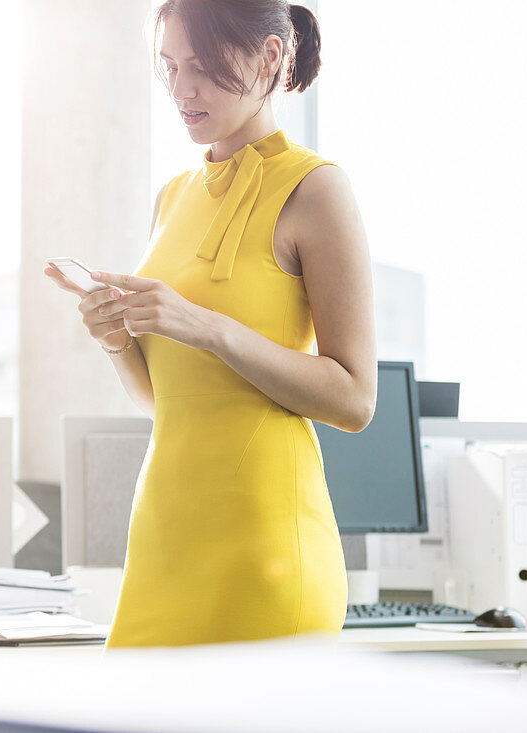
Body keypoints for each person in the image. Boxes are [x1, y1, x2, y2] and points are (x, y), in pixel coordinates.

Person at [44, 0, 376, 647]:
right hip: (164, 544)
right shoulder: (171, 198)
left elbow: (355, 397)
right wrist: (116, 335)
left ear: (270, 58)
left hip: (266, 553)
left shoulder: (317, 190)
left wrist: (206, 326)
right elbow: (163, 401)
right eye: (169, 67)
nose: (181, 89)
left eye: (202, 67)